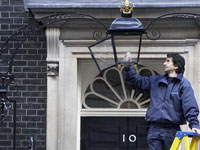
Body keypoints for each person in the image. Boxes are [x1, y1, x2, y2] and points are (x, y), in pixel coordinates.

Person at [124, 52, 200, 150]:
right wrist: (128, 67)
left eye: (168, 61)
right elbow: (136, 81)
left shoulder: (183, 85)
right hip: (154, 129)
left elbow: (189, 105)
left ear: (176, 66)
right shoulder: (155, 81)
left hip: (172, 130)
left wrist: (194, 124)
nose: (164, 63)